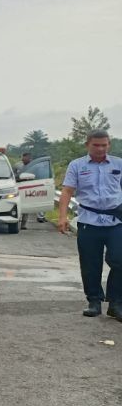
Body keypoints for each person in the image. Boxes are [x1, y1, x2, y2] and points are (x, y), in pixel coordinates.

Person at [57, 130, 122, 320]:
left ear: (109, 145)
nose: (100, 149)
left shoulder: (119, 164)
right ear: (87, 145)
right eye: (96, 145)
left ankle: (116, 303)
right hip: (88, 221)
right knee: (90, 263)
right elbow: (67, 191)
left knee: (119, 260)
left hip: (116, 220)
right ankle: (94, 301)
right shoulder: (77, 165)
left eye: (104, 145)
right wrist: (62, 217)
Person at [14, 152, 44, 227]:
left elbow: (38, 176)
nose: (23, 160)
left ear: (30, 159)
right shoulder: (17, 165)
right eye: (23, 159)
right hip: (18, 187)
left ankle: (23, 224)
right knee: (17, 205)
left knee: (26, 206)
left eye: (26, 159)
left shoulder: (34, 166)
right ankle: (16, 221)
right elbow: (13, 175)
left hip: (29, 188)